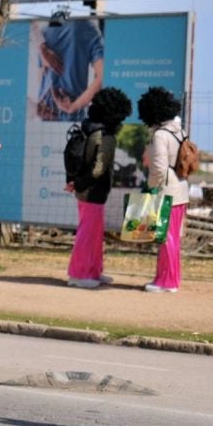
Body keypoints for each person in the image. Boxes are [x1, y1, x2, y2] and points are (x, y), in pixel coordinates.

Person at [64, 87, 132, 288]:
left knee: (93, 232)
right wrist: (80, 183)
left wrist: (75, 183)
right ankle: (79, 274)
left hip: (84, 191)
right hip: (93, 191)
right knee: (88, 233)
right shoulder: (106, 136)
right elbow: (99, 168)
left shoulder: (88, 128)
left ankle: (93, 270)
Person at [139, 86, 190, 293]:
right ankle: (169, 278)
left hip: (166, 190)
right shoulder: (180, 131)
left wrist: (150, 186)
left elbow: (158, 167)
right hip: (181, 189)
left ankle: (166, 282)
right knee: (172, 237)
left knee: (165, 237)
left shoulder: (160, 135)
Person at [37, 16, 104, 122]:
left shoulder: (44, 31)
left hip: (44, 110)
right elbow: (103, 76)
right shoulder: (89, 28)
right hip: (71, 115)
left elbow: (43, 73)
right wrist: (75, 106)